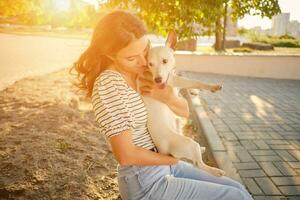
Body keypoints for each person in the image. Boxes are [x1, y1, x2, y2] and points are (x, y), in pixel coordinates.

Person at [70, 10, 254, 200]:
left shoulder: (148, 69)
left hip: (164, 166)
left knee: (238, 189)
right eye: (132, 57)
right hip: (144, 180)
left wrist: (166, 96)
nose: (143, 61)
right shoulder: (110, 84)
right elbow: (125, 155)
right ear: (110, 55)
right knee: (234, 197)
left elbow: (184, 111)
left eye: (144, 48)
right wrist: (171, 159)